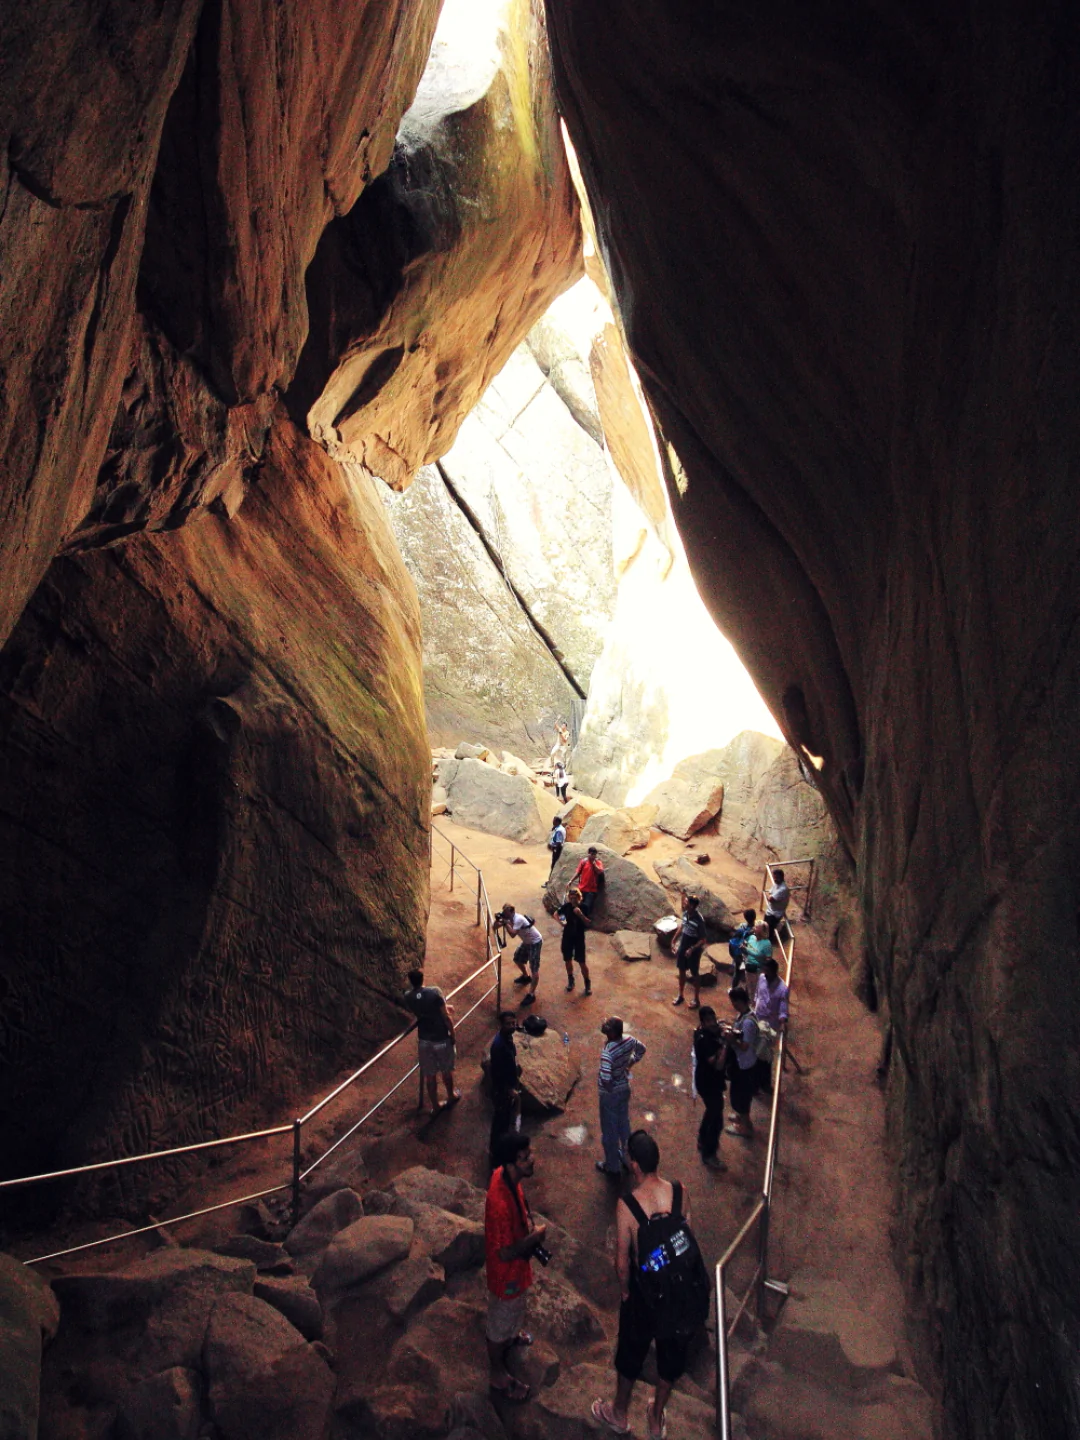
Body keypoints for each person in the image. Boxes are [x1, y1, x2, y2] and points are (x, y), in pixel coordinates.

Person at [591, 1131, 705, 1439]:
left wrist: (626, 1290)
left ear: (635, 1165)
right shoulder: (680, 1191)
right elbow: (686, 1240)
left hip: (644, 1292)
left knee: (631, 1353)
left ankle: (618, 1413)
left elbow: (622, 1260)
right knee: (670, 1357)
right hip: (678, 1291)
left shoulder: (628, 1205)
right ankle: (655, 1418)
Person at [485, 1133, 547, 1402]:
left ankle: (511, 1334)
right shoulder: (499, 1203)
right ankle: (498, 1375)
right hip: (506, 1275)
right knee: (498, 1326)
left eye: (529, 1153)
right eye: (524, 1158)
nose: (531, 1160)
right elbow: (505, 1252)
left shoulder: (506, 1176)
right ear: (511, 1164)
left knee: (513, 1312)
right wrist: (534, 1238)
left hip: (518, 1272)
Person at [402, 967, 459, 1113]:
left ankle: (435, 1105)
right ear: (422, 979)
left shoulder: (408, 996)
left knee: (429, 1075)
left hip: (424, 1040)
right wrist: (452, 1035)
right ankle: (451, 1095)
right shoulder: (435, 992)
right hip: (440, 1038)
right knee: (446, 1070)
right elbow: (446, 1017)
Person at [596, 1016, 647, 1175]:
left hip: (610, 1095)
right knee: (624, 1124)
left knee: (609, 1131)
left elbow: (606, 1079)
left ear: (611, 1033)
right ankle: (627, 1159)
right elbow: (642, 1049)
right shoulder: (629, 1040)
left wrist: (610, 1088)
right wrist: (629, 1064)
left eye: (608, 1025)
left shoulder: (607, 1052)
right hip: (625, 1089)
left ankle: (612, 1166)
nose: (605, 1025)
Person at [692, 1007, 727, 1170]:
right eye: (709, 1021)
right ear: (702, 1023)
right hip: (709, 1083)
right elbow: (718, 1065)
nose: (713, 1023)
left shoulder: (702, 1033)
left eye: (714, 1019)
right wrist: (726, 1046)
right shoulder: (704, 1041)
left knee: (711, 1111)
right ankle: (709, 1154)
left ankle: (701, 1138)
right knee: (717, 1120)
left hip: (707, 1081)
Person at [724, 986, 759, 1139]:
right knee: (738, 1094)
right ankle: (741, 1116)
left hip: (745, 1065)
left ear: (739, 1001)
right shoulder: (743, 1016)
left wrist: (732, 1040)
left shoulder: (748, 1023)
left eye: (734, 1002)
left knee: (741, 1096)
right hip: (741, 1063)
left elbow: (745, 1046)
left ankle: (746, 1126)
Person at [489, 1011, 522, 1166]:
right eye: (508, 1023)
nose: (512, 1026)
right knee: (500, 1120)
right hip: (502, 1089)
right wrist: (508, 1089)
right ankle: (496, 1153)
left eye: (513, 1023)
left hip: (507, 1084)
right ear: (501, 1025)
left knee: (504, 1118)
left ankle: (499, 1148)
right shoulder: (498, 1046)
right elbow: (498, 1071)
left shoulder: (507, 1038)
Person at [753, 956, 789, 1098]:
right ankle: (758, 1083)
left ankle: (763, 1084)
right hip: (757, 1020)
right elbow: (757, 993)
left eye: (767, 971)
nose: (764, 973)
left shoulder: (782, 989)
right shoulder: (761, 978)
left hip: (769, 1026)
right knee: (756, 1054)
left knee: (764, 1056)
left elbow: (783, 1008)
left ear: (774, 972)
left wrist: (782, 1021)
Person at [501, 903, 543, 1006]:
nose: (504, 914)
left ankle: (531, 994)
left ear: (511, 911)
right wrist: (500, 921)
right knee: (517, 959)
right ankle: (525, 976)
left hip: (535, 942)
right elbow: (502, 925)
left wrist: (505, 923)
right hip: (527, 941)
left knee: (534, 968)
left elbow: (512, 934)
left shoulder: (518, 919)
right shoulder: (511, 919)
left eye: (506, 912)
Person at [671, 894, 707, 1009]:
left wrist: (692, 949)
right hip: (684, 944)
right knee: (681, 970)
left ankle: (696, 999)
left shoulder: (699, 920)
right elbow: (682, 927)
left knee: (694, 973)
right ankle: (681, 995)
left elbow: (703, 939)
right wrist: (674, 940)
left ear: (692, 905)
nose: (684, 903)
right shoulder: (686, 914)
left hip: (693, 949)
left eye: (686, 902)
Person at [557, 885, 592, 994]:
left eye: (575, 898)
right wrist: (562, 922)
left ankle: (587, 983)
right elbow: (557, 913)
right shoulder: (566, 906)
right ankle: (570, 980)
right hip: (567, 937)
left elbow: (588, 923)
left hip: (579, 938)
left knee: (581, 962)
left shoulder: (584, 907)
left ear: (579, 897)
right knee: (567, 959)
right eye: (571, 897)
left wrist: (580, 915)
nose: (572, 900)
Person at [572, 846, 605, 918]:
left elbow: (600, 871)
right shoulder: (583, 862)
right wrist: (571, 880)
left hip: (591, 890)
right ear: (588, 854)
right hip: (581, 888)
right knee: (578, 904)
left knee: (587, 906)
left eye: (594, 854)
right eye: (591, 854)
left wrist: (594, 865)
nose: (593, 856)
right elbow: (578, 873)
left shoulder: (598, 862)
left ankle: (584, 921)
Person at [727, 907, 757, 988]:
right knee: (747, 973)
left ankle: (733, 988)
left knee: (737, 972)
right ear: (755, 917)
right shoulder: (756, 931)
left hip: (738, 952)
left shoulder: (742, 926)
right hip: (746, 955)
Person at [742, 921, 773, 990]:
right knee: (749, 988)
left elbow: (768, 959)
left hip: (758, 971)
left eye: (756, 927)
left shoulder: (767, 943)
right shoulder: (751, 937)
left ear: (762, 931)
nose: (753, 928)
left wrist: (764, 970)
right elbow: (745, 945)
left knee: (757, 990)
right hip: (748, 968)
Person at [764, 868, 791, 942]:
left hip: (775, 914)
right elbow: (770, 894)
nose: (775, 879)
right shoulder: (776, 884)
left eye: (776, 878)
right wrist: (770, 897)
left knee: (769, 930)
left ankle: (769, 942)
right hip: (770, 910)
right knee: (765, 927)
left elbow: (770, 899)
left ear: (781, 877)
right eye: (774, 877)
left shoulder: (783, 889)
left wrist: (770, 897)